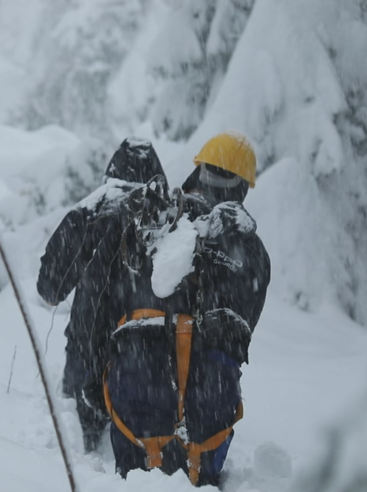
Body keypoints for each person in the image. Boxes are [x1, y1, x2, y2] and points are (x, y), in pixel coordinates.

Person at [81, 132, 270, 486]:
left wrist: (93, 378)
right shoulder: (253, 253)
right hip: (208, 406)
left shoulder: (154, 219)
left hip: (135, 387)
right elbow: (243, 333)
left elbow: (106, 305)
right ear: (243, 187)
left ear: (198, 171)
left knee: (133, 477)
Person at [36, 137, 168, 452]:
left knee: (84, 456)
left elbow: (49, 288)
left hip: (87, 371)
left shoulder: (94, 212)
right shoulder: (169, 221)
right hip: (148, 378)